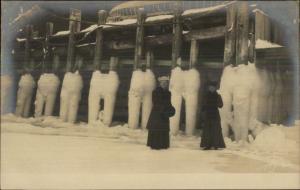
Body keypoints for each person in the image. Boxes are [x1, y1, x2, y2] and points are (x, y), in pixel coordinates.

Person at [146, 76, 175, 149]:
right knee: (157, 128)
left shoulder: (168, 93)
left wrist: (171, 109)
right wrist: (165, 110)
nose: (165, 84)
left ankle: (163, 144)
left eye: (166, 83)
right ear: (160, 83)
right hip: (157, 114)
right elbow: (156, 103)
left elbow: (169, 103)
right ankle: (155, 145)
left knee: (163, 129)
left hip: (164, 115)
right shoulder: (155, 92)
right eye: (163, 83)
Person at [200, 81, 226, 150]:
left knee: (216, 130)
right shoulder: (205, 96)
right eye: (210, 87)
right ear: (208, 88)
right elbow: (203, 104)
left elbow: (221, 105)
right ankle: (207, 145)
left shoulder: (218, 96)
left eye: (213, 87)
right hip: (208, 114)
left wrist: (215, 103)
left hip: (215, 115)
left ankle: (216, 145)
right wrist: (204, 107)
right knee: (207, 131)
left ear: (215, 88)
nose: (211, 88)